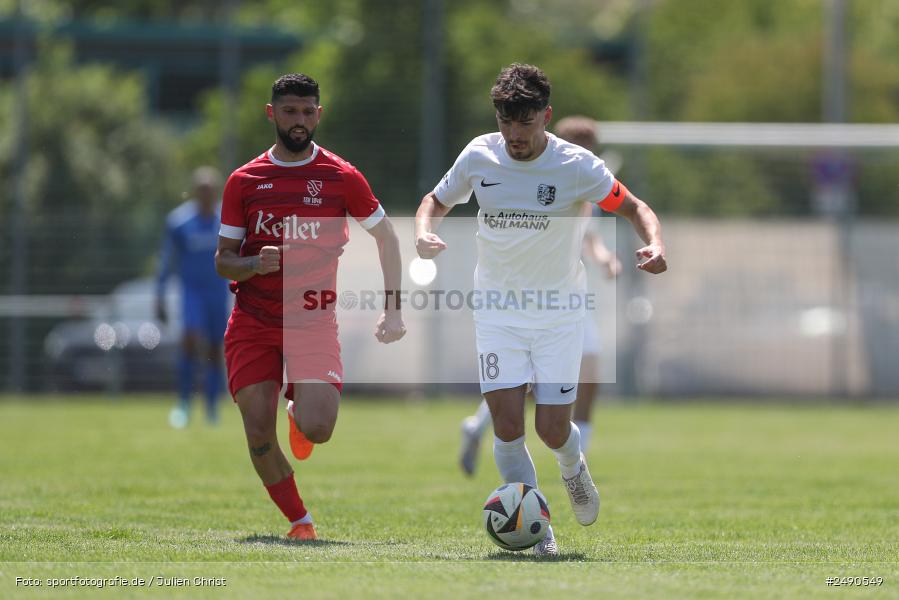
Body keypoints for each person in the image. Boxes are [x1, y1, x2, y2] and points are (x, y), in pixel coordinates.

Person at [415, 64, 666, 556]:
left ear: (545, 117)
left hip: (558, 314)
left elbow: (635, 207)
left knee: (551, 429)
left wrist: (655, 243)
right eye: (506, 122)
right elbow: (434, 201)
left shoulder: (577, 166)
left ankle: (573, 470)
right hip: (496, 311)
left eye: (525, 124)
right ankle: (538, 530)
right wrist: (424, 231)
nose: (514, 135)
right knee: (508, 426)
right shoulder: (479, 155)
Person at [215, 73, 406, 541]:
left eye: (307, 112)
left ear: (318, 114)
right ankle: (300, 521)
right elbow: (223, 262)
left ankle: (300, 411)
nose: (299, 121)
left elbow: (386, 238)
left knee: (318, 429)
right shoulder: (245, 181)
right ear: (271, 114)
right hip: (253, 322)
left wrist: (394, 309)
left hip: (312, 321)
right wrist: (254, 264)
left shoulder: (342, 177)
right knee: (258, 434)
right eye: (289, 111)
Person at [458, 116, 622, 473]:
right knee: (525, 386)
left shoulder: (584, 178)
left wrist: (606, 258)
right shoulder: (544, 175)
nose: (584, 150)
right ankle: (479, 426)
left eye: (589, 144)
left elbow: (589, 236)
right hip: (519, 299)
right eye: (577, 142)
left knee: (588, 373)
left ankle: (579, 463)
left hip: (566, 297)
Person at [156, 166, 230, 428]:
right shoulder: (179, 222)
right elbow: (167, 259)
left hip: (218, 293)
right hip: (192, 293)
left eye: (210, 191)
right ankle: (184, 403)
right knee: (189, 341)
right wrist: (160, 294)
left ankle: (211, 407)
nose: (206, 196)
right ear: (195, 192)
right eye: (202, 191)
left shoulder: (226, 221)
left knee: (214, 349)